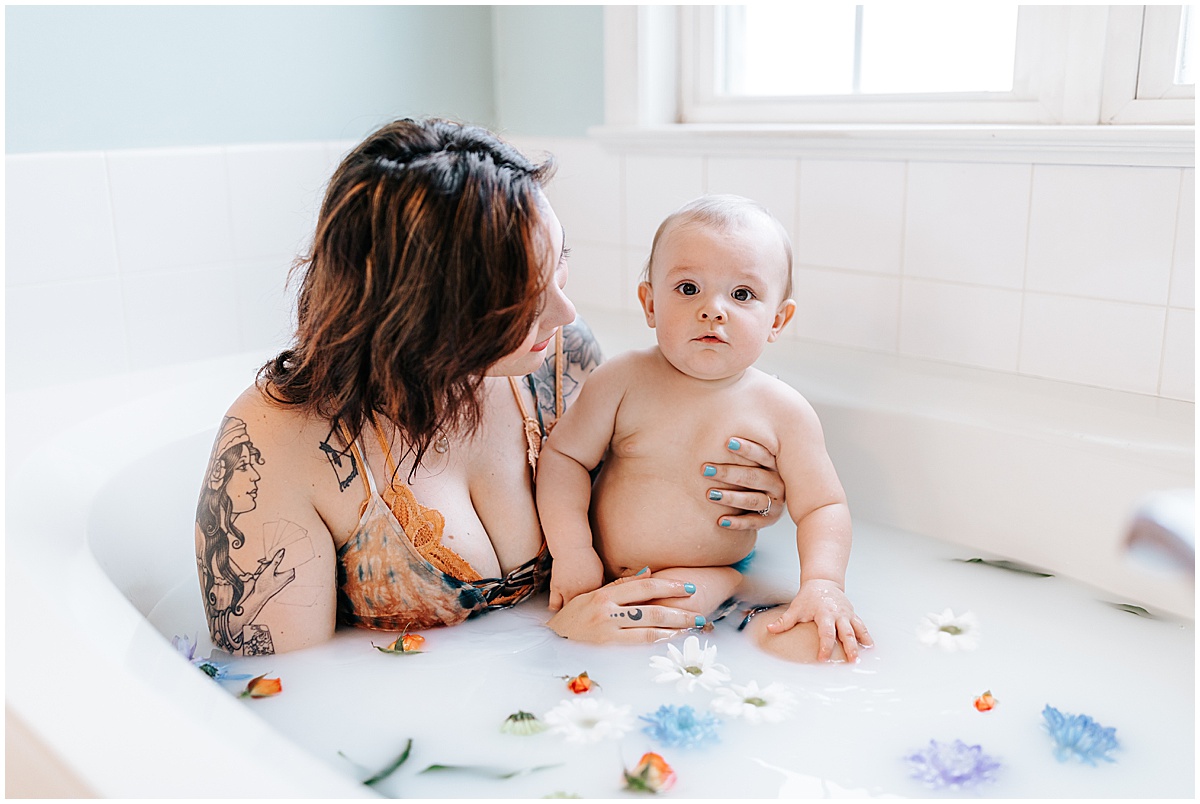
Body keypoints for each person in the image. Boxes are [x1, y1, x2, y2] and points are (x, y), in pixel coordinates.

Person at [193, 119, 788, 656]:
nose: (563, 310)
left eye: (558, 265)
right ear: (424, 308)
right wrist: (549, 643)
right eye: (524, 297)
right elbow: (285, 694)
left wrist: (743, 496)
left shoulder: (561, 359)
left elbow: (646, 506)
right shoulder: (275, 446)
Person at [536, 195, 873, 662]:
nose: (713, 310)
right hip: (596, 575)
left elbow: (823, 505)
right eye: (689, 288)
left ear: (777, 319)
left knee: (824, 650)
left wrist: (822, 583)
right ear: (650, 303)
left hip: (711, 577)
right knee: (594, 647)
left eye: (741, 295)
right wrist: (572, 550)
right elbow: (564, 458)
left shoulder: (783, 411)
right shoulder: (621, 380)